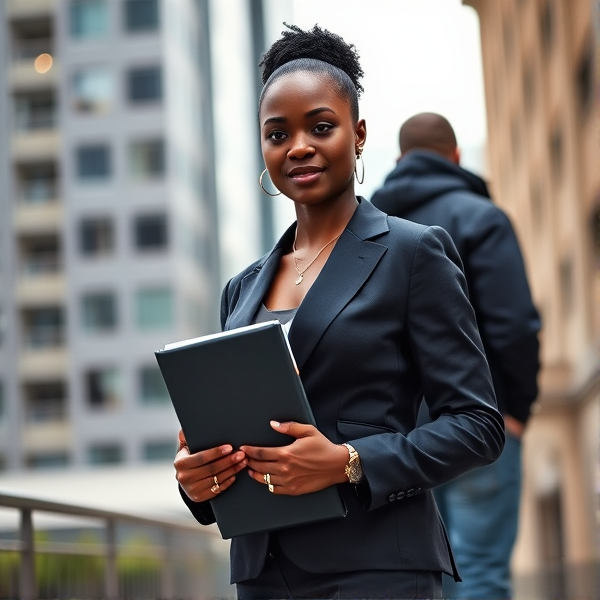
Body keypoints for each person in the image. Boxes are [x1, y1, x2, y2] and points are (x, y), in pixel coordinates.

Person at [174, 27, 505, 600]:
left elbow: (477, 426)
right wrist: (197, 478)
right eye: (278, 134)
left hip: (376, 565)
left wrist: (348, 461)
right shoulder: (241, 288)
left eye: (320, 127)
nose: (298, 146)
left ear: (358, 136)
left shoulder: (412, 252)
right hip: (261, 570)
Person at [371, 112, 541, 600]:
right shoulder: (480, 217)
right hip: (479, 423)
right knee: (482, 572)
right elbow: (513, 325)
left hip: (398, 439)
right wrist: (516, 409)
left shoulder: (373, 234)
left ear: (400, 161)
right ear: (456, 156)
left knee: (425, 579)